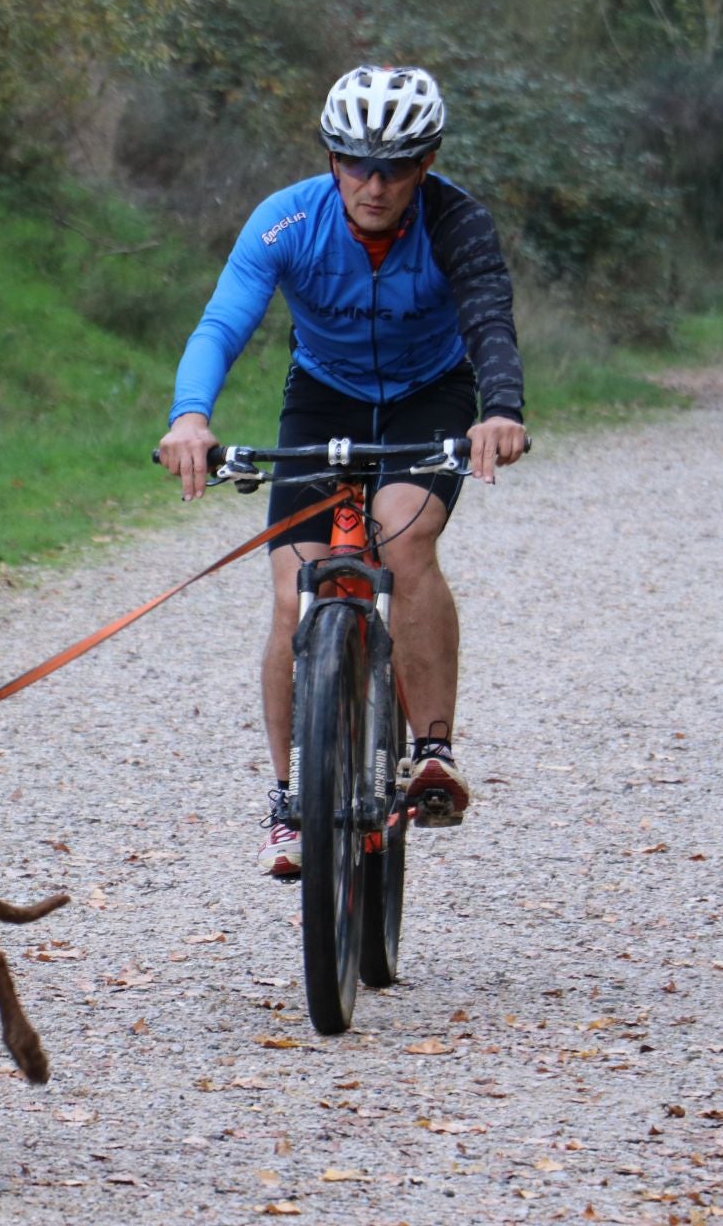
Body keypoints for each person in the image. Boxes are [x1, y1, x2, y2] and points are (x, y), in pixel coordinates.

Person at [157, 65, 528, 877]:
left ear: (426, 164)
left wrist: (498, 409)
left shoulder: (457, 222)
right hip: (323, 396)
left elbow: (489, 317)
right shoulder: (285, 221)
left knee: (404, 545)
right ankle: (290, 801)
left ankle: (431, 750)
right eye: (356, 161)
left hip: (431, 395)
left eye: (396, 165)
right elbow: (224, 319)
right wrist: (191, 416)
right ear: (331, 159)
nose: (375, 182)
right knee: (295, 592)